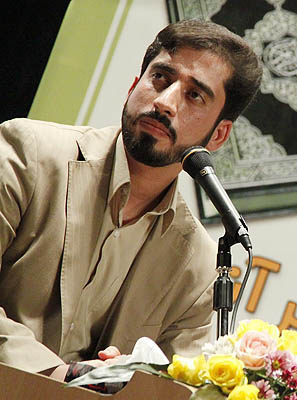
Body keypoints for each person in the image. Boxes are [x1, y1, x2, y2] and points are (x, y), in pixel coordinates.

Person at [0, 19, 262, 381]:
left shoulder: (198, 268)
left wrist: (125, 378)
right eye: (161, 78)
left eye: (194, 95)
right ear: (133, 86)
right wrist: (65, 375)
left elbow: (176, 387)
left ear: (218, 135)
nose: (165, 102)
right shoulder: (28, 154)